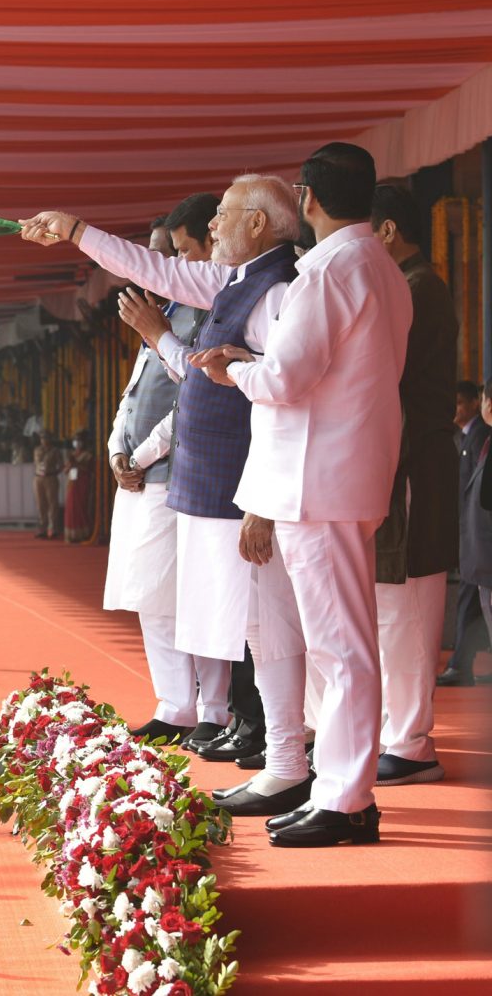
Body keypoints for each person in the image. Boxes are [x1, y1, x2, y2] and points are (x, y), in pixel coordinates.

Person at [22, 174, 311, 819]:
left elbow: (282, 405)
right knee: (256, 630)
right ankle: (285, 759)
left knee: (276, 628)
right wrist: (75, 230)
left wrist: (262, 500)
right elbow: (153, 273)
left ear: (261, 225)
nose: (213, 228)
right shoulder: (234, 282)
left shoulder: (280, 290)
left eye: (225, 215)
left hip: (248, 489)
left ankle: (292, 761)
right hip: (217, 486)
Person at [193, 142, 412, 846]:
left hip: (317, 478)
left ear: (308, 197)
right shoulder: (382, 266)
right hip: (345, 471)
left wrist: (234, 369)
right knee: (341, 643)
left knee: (341, 647)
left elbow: (286, 380)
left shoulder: (325, 272)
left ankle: (346, 797)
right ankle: (338, 789)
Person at [101, 199, 230, 745]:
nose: (158, 268)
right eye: (157, 257)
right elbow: (132, 397)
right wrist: (115, 452)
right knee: (151, 596)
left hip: (178, 473)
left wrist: (144, 456)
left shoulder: (202, 313)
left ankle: (214, 709)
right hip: (140, 477)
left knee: (195, 597)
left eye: (171, 254)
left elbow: (196, 402)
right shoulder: (167, 313)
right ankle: (174, 703)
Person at [368, 184, 458, 785]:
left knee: (407, 604)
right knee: (391, 605)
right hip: (402, 459)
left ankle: (411, 740)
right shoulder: (412, 285)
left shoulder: (418, 288)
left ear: (388, 232)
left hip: (415, 464)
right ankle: (397, 732)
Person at [444, 380, 490, 686]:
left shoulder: (478, 437)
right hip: (473, 540)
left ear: (476, 402)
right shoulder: (468, 437)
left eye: (462, 402)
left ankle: (461, 664)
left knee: (471, 601)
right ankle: (461, 662)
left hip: (481, 542)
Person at [63, 428, 95, 543]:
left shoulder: (87, 455)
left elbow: (89, 469)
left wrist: (76, 463)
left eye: (79, 440)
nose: (77, 443)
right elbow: (66, 470)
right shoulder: (72, 454)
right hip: (72, 482)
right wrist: (70, 464)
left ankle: (82, 533)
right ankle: (71, 534)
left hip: (82, 483)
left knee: (80, 507)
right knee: (71, 507)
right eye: (75, 440)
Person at [32, 430, 63, 539]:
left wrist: (55, 472)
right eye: (42, 438)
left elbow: (61, 465)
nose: (44, 440)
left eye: (46, 438)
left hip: (50, 477)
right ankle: (42, 528)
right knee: (41, 504)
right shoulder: (37, 450)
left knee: (52, 503)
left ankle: (54, 528)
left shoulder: (55, 451)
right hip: (38, 478)